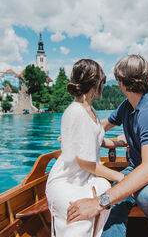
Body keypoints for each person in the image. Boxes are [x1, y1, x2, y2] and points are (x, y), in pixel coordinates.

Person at [67, 55, 148, 237]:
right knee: (114, 200)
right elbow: (101, 126)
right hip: (136, 168)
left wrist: (98, 202)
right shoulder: (128, 106)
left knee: (145, 194)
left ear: (122, 83)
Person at [46, 59, 126, 237]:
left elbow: (97, 139)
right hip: (68, 180)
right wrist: (121, 177)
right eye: (102, 82)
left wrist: (119, 143)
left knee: (105, 188)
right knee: (79, 223)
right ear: (96, 83)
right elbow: (86, 163)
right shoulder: (76, 112)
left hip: (86, 178)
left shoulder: (90, 110)